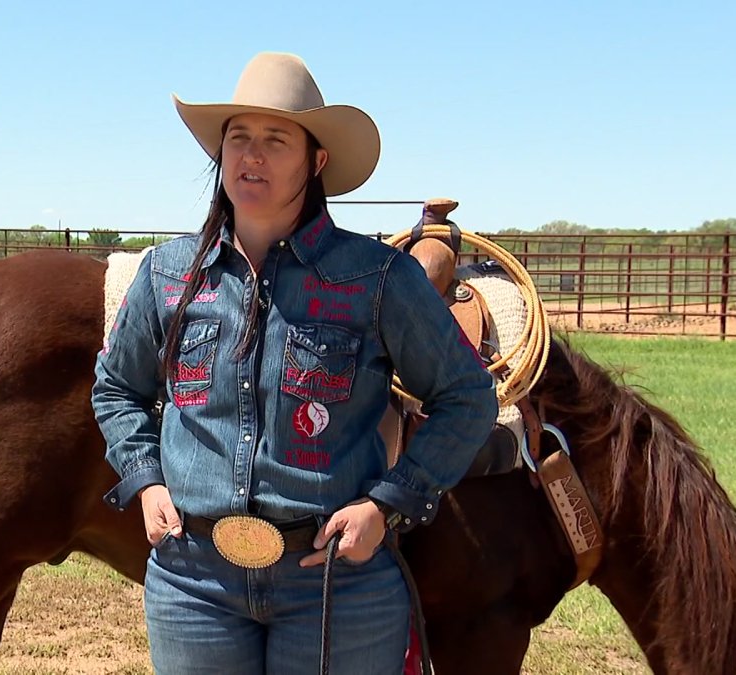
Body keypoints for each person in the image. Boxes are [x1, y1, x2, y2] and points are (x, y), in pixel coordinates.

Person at [92, 52, 498, 674]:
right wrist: (146, 480)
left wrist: (387, 503)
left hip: (336, 582)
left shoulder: (377, 278)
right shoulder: (167, 275)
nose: (251, 156)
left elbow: (467, 398)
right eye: (239, 139)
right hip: (193, 580)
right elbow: (117, 388)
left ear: (317, 161)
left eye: (275, 141)